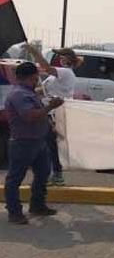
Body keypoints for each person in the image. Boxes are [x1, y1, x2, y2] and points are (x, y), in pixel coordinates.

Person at [4, 62, 64, 224]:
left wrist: (50, 125)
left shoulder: (28, 93)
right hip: (23, 142)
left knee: (43, 173)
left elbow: (38, 115)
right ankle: (14, 212)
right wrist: (51, 106)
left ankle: (37, 205)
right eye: (37, 75)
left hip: (38, 141)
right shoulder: (19, 95)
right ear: (33, 76)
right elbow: (29, 116)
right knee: (15, 179)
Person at [25, 45, 81, 186]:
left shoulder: (66, 73)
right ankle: (52, 174)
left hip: (55, 115)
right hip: (48, 113)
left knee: (50, 146)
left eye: (62, 56)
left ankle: (56, 174)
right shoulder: (55, 76)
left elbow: (47, 68)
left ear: (68, 59)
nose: (60, 58)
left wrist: (35, 53)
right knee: (48, 145)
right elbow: (42, 91)